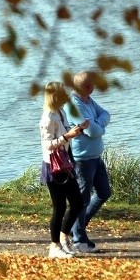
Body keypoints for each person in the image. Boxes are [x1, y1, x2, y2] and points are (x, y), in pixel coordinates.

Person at [38, 81, 89, 259]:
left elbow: (65, 133)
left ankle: (64, 238)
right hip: (53, 165)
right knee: (59, 207)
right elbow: (48, 145)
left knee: (77, 202)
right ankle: (54, 246)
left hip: (65, 161)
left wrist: (78, 130)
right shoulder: (48, 118)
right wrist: (67, 136)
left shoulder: (60, 112)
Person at [66, 70, 112, 254]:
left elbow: (106, 114)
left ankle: (75, 227)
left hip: (96, 157)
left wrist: (97, 123)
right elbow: (92, 132)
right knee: (82, 201)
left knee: (104, 193)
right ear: (86, 86)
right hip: (83, 159)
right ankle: (80, 241)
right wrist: (98, 126)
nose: (96, 86)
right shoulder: (73, 105)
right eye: (93, 84)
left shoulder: (88, 100)